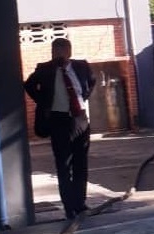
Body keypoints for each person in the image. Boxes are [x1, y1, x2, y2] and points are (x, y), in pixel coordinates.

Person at [24, 38, 96, 219]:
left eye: (62, 51)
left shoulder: (81, 66)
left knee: (81, 164)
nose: (59, 55)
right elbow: (29, 85)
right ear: (52, 53)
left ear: (69, 52)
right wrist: (44, 102)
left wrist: (83, 98)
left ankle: (80, 203)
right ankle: (69, 206)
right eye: (56, 51)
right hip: (58, 120)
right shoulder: (44, 69)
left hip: (80, 119)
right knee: (64, 166)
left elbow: (92, 81)